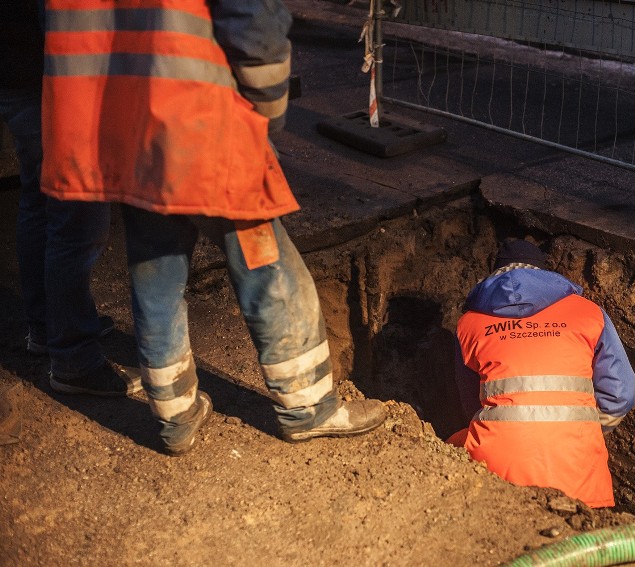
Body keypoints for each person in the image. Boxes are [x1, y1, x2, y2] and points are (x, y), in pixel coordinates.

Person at [40, 0, 387, 455]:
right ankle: (309, 407)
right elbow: (254, 21)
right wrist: (268, 109)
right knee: (266, 258)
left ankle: (174, 415)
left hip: (127, 119)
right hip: (198, 115)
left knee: (155, 264)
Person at [0, 0, 139, 399]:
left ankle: (48, 326)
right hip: (50, 75)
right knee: (78, 214)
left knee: (40, 200)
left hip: (17, 73)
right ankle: (73, 358)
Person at [447, 239, 635, 508]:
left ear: (493, 278)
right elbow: (621, 395)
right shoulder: (589, 313)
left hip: (497, 472)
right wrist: (585, 426)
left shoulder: (469, 324)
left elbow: (469, 404)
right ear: (545, 275)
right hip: (578, 473)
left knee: (451, 445)